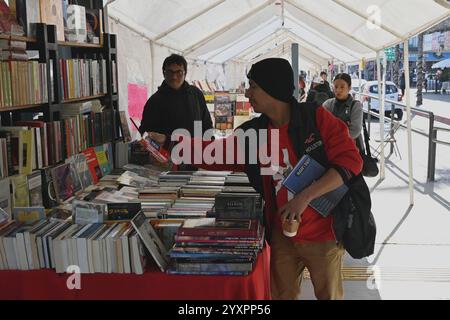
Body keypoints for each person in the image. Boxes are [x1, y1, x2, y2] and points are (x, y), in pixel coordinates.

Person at [149, 58, 362, 300]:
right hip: (282, 234)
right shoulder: (254, 133)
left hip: (324, 233)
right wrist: (170, 143)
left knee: (329, 296)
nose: (247, 92)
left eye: (253, 86)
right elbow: (214, 153)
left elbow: (350, 162)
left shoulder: (315, 118)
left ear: (272, 89)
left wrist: (305, 197)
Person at [139, 54, 213, 147]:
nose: (174, 77)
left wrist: (209, 146)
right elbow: (146, 133)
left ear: (185, 73)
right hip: (168, 157)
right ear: (164, 73)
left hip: (195, 153)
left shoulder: (196, 94)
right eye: (170, 72)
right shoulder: (154, 101)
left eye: (179, 72)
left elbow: (206, 124)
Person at [322, 73, 364, 152]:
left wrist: (335, 140)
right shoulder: (327, 104)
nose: (338, 90)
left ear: (349, 87)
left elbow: (355, 130)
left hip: (349, 150)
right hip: (329, 149)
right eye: (336, 87)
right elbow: (322, 126)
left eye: (342, 87)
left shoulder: (355, 106)